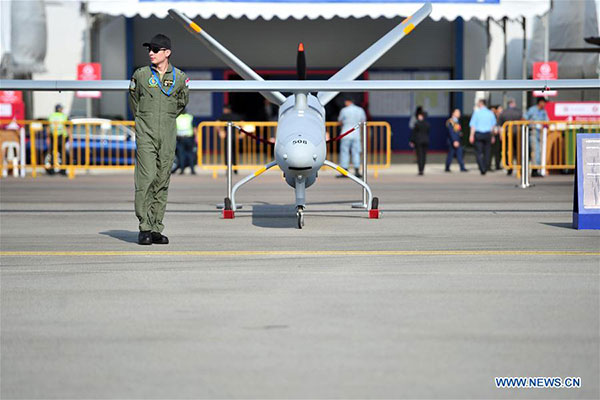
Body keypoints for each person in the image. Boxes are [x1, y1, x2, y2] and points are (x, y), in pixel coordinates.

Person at [129, 33, 189, 245]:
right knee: (146, 179)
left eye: (155, 50)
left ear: (167, 53)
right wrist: (147, 120)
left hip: (168, 133)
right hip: (146, 134)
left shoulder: (180, 78)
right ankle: (144, 226)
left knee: (162, 179)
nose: (151, 53)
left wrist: (165, 120)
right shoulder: (142, 75)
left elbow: (181, 103)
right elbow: (134, 102)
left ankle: (156, 226)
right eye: (149, 50)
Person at [337, 98, 366, 178]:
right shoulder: (360, 110)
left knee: (344, 152)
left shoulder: (344, 110)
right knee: (356, 152)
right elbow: (363, 121)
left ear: (348, 101)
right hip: (356, 134)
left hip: (346, 133)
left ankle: (344, 170)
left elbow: (340, 121)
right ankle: (357, 170)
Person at [469, 99, 497, 175]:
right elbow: (493, 126)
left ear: (481, 104)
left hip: (479, 134)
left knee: (478, 152)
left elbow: (473, 126)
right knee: (487, 152)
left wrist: (471, 135)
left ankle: (482, 167)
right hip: (488, 134)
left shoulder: (477, 113)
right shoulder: (490, 113)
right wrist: (493, 136)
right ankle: (485, 166)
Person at [497, 98, 523, 175]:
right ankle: (519, 167)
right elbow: (523, 120)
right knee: (519, 150)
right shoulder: (519, 111)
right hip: (518, 132)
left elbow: (500, 125)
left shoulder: (504, 112)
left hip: (508, 133)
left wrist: (501, 135)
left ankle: (509, 168)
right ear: (513, 103)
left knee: (508, 150)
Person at [525, 97, 549, 177]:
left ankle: (538, 169)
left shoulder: (544, 112)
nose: (544, 104)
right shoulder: (532, 110)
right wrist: (530, 123)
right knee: (535, 151)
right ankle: (534, 170)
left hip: (541, 133)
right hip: (534, 131)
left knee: (540, 151)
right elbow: (524, 118)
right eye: (544, 102)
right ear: (540, 102)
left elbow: (547, 121)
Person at [218, 104, 243, 174]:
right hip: (235, 137)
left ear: (227, 109)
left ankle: (227, 169)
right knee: (234, 153)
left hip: (227, 137)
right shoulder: (236, 116)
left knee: (227, 153)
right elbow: (243, 123)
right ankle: (235, 169)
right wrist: (242, 134)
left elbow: (217, 123)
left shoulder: (224, 116)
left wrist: (220, 132)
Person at [47, 104, 68, 175]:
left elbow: (48, 127)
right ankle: (63, 170)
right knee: (62, 153)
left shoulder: (51, 116)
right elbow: (67, 127)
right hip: (61, 136)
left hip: (53, 136)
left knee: (53, 153)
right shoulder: (63, 116)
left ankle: (51, 170)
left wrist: (48, 137)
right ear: (60, 109)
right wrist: (70, 137)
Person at [174, 109, 196, 175]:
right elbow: (194, 128)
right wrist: (196, 138)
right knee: (190, 154)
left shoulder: (177, 118)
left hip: (180, 138)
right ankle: (192, 170)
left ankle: (182, 170)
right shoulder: (190, 117)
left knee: (181, 155)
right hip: (189, 138)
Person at [409, 110, 430, 175]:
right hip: (426, 141)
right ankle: (422, 169)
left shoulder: (417, 124)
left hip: (419, 141)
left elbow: (414, 133)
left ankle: (420, 170)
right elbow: (428, 132)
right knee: (424, 156)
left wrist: (412, 141)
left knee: (419, 156)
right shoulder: (427, 124)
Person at [489, 105, 503, 171]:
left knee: (498, 151)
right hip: (493, 135)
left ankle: (497, 165)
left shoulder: (500, 117)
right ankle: (489, 165)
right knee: (491, 151)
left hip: (497, 135)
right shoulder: (493, 117)